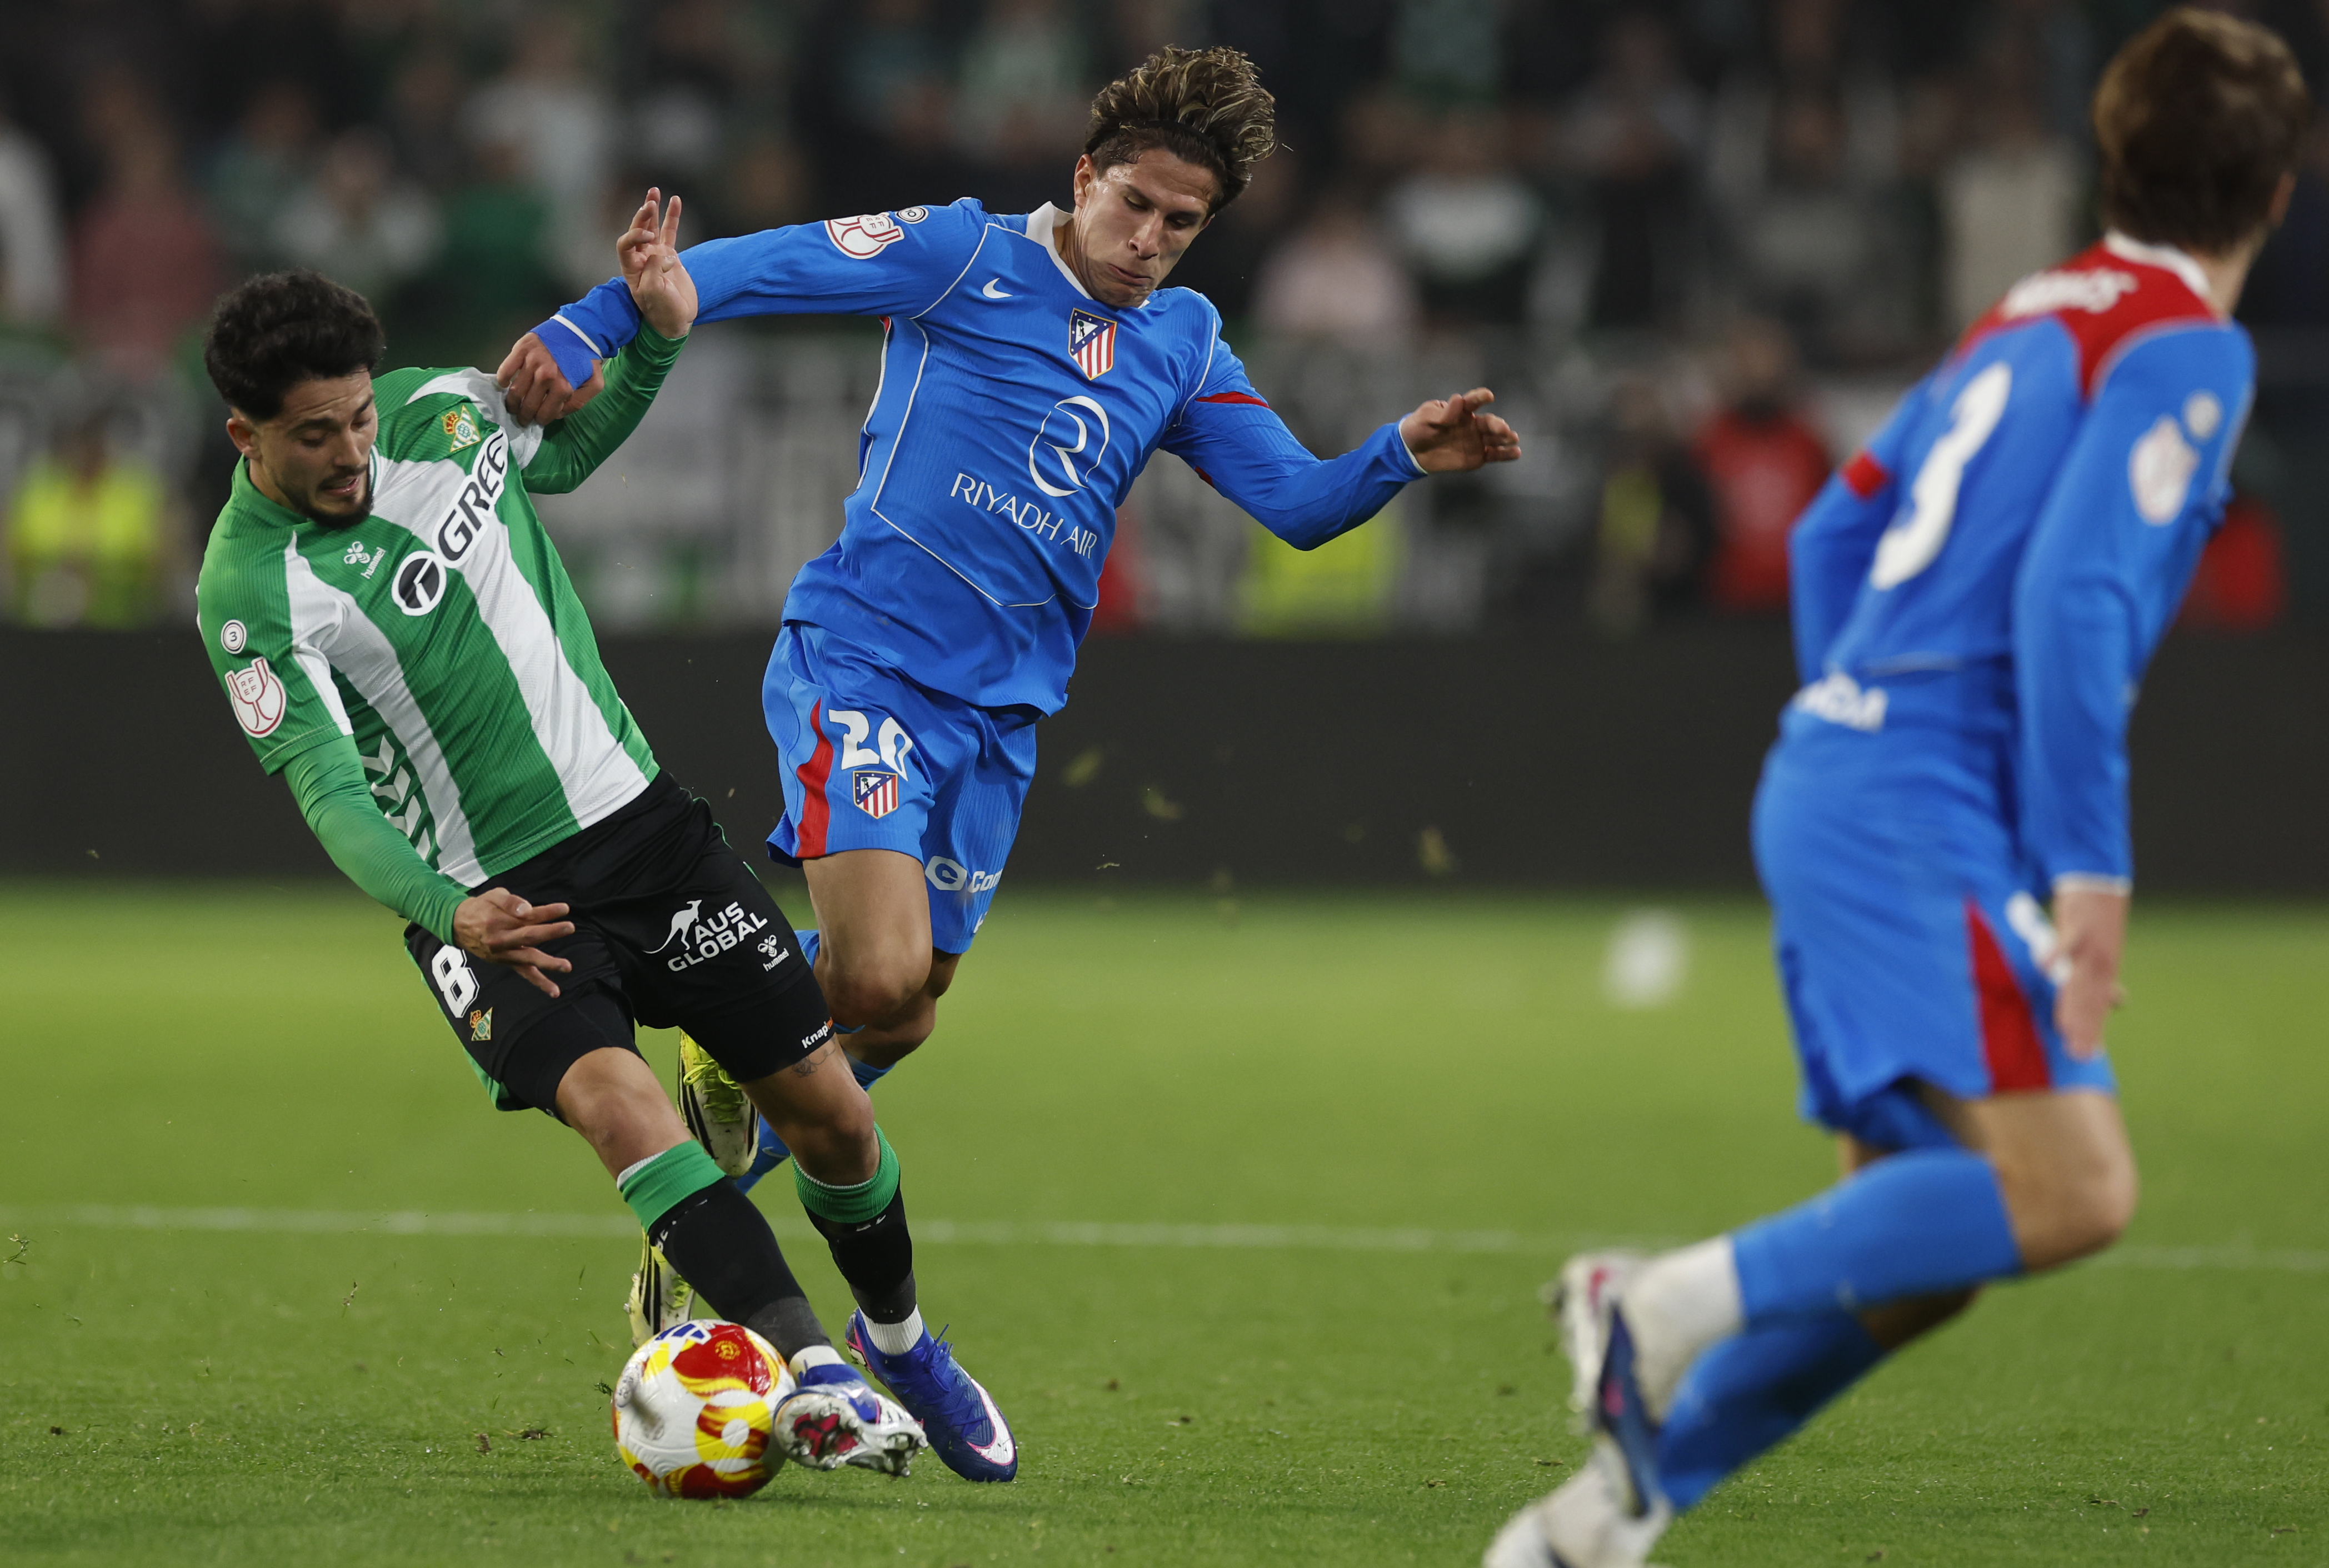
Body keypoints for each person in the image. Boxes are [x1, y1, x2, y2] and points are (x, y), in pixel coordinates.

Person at [494, 44, 1520, 1484]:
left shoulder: (1184, 344)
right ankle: (804, 1238)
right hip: (864, 666)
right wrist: (596, 320)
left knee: (901, 1018)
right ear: (1085, 178)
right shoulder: (959, 256)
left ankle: (736, 1086)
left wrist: (1401, 453)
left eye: (1184, 223)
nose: (1152, 241)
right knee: (865, 981)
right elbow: (749, 273)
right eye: (1137, 207)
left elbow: (1293, 504)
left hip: (999, 725)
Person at [1488, 13, 2310, 1566]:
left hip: (1839, 767)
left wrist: (1856, 717)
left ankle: (1604, 1520)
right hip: (1916, 796)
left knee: (1920, 1246)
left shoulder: (2030, 316)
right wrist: (2088, 882)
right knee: (2075, 1195)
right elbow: (2074, 604)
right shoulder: (2189, 346)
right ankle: (1647, 1302)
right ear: (2281, 194)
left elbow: (1829, 542)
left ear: (2109, 161)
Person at [192, 198, 933, 1482]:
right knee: (616, 1103)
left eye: (358, 417)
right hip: (498, 901)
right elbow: (329, 795)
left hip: (644, 830)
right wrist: (445, 906)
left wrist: (651, 338)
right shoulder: (249, 593)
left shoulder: (436, 408)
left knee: (833, 1122)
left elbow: (568, 456)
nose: (352, 451)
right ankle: (813, 1373)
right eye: (315, 436)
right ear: (243, 434)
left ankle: (901, 1336)